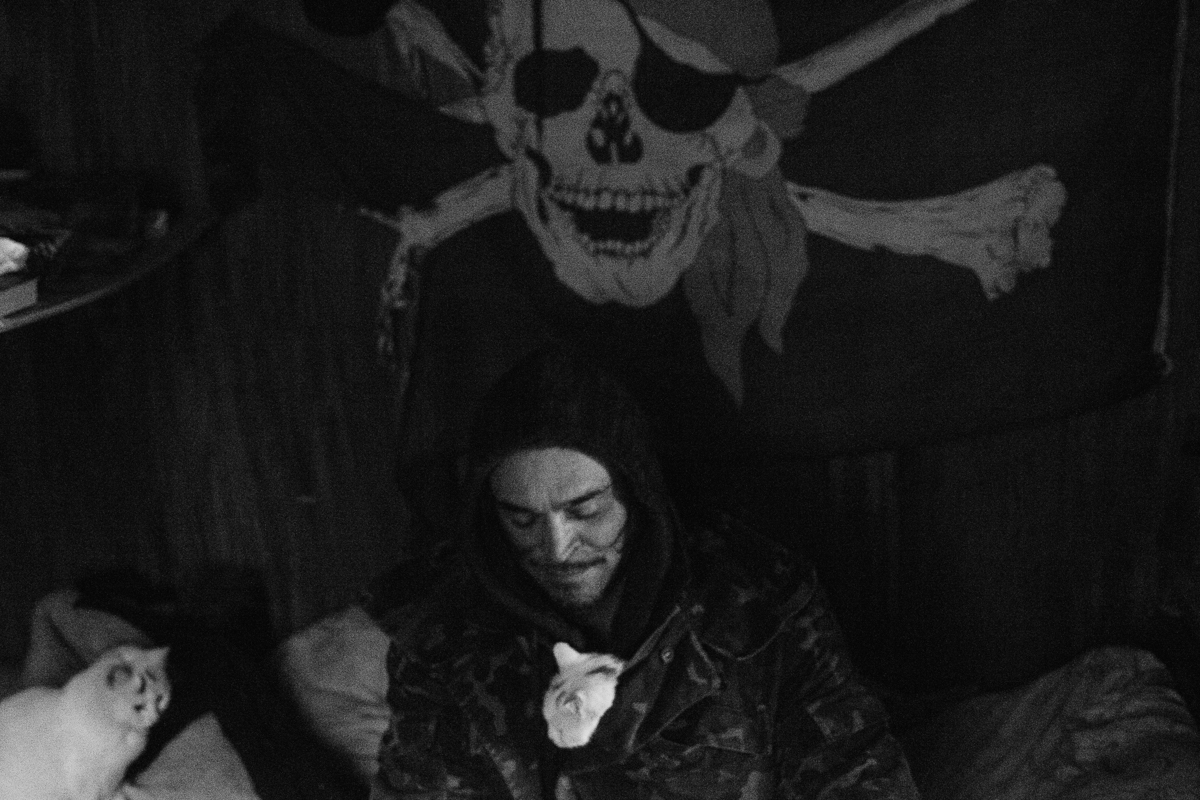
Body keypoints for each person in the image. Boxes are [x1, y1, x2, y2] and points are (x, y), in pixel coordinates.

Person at [371, 347, 919, 799]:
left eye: (586, 511)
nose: (557, 548)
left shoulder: (760, 607)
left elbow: (858, 776)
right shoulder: (443, 634)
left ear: (637, 495)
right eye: (522, 520)